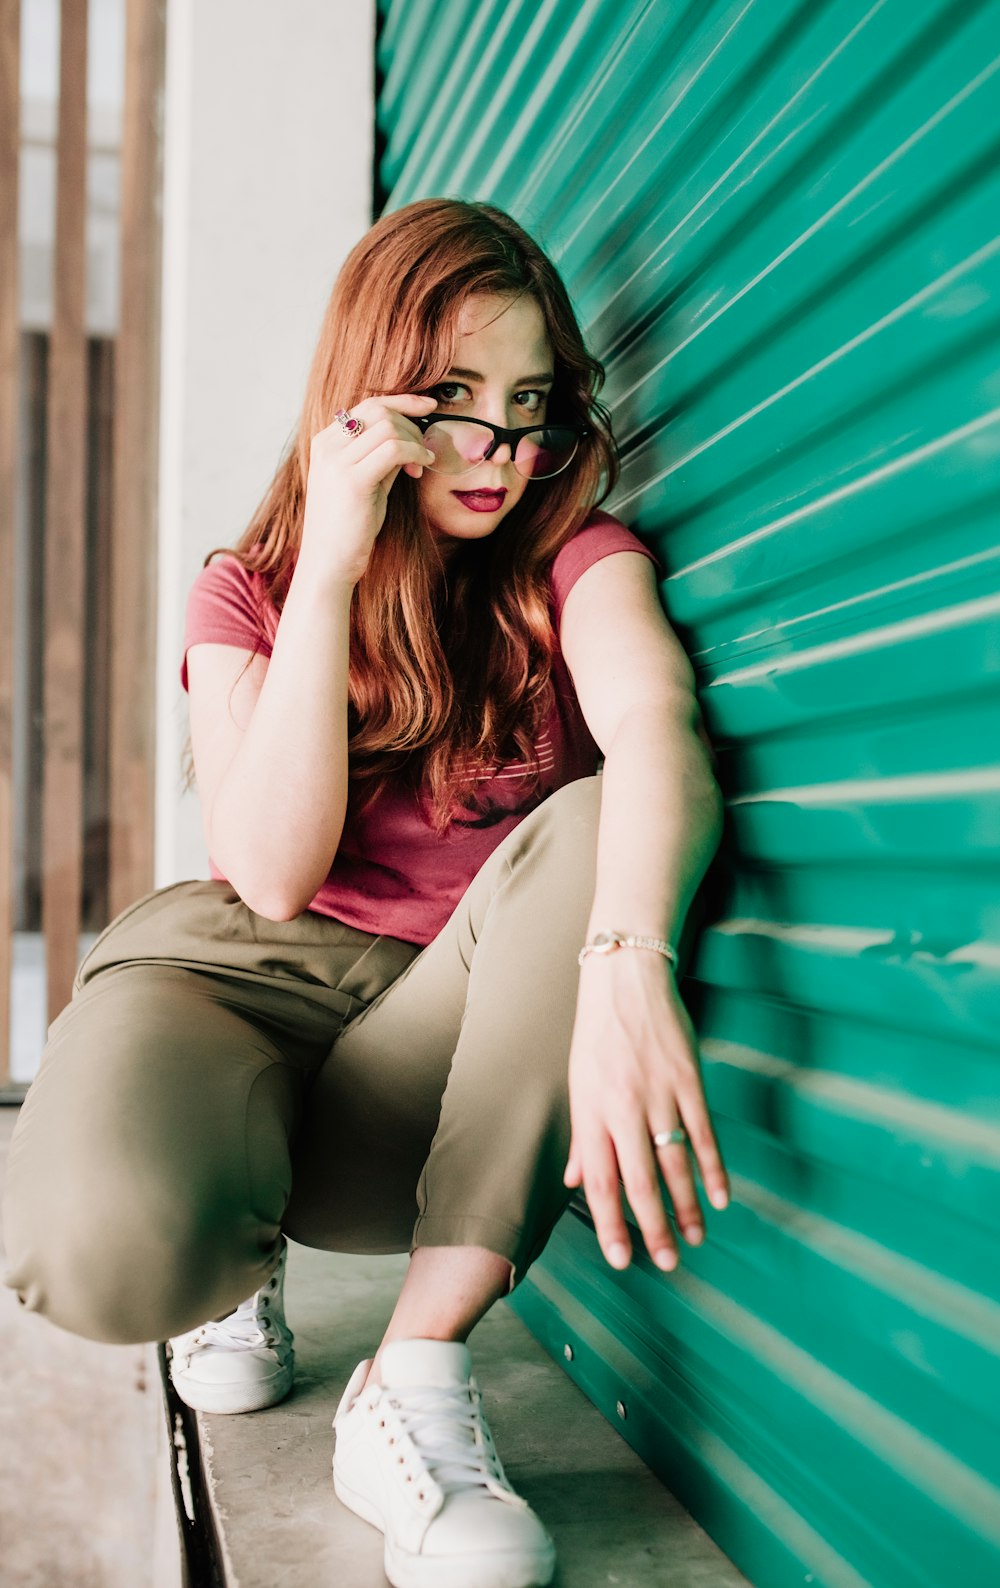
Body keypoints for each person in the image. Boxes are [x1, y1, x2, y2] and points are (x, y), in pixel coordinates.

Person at [2, 197, 729, 1588]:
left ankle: (411, 1380)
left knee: (595, 830)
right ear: (370, 396)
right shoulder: (250, 591)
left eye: (532, 404)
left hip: (430, 1037)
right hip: (228, 981)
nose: (500, 453)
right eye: (454, 399)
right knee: (103, 1248)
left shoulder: (575, 559)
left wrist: (631, 960)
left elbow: (656, 732)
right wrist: (332, 557)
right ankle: (229, 1256)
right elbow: (270, 874)